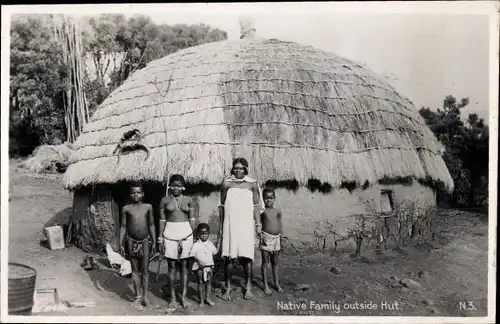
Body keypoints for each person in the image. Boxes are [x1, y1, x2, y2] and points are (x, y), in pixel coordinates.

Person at [219, 157, 264, 300]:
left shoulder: (252, 184)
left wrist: (258, 225)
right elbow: (222, 206)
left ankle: (249, 287)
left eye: (241, 168)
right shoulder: (226, 184)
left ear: (245, 168)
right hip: (230, 223)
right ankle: (228, 288)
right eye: (235, 168)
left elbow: (257, 206)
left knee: (246, 256)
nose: (238, 170)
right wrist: (221, 226)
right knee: (229, 257)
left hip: (246, 224)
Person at [158, 174, 197, 309]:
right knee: (171, 267)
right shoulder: (164, 200)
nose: (176, 187)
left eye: (178, 185)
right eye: (173, 185)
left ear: (183, 186)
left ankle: (184, 297)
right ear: (170, 186)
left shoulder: (189, 200)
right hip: (169, 234)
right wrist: (160, 238)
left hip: (186, 234)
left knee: (184, 267)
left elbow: (192, 220)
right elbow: (162, 220)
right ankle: (173, 298)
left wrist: (194, 236)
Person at [119, 182, 156, 309]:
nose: (136, 195)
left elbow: (151, 224)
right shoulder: (126, 208)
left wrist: (155, 240)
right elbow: (123, 226)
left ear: (143, 194)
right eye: (133, 192)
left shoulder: (148, 207)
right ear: (130, 194)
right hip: (131, 241)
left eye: (138, 192)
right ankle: (137, 296)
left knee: (144, 270)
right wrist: (120, 243)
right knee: (135, 270)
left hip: (145, 241)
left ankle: (145, 297)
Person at [259, 188, 284, 294]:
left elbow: (280, 224)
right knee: (265, 262)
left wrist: (281, 238)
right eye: (265, 198)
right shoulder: (261, 211)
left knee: (275, 261)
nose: (268, 200)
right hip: (266, 237)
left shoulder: (278, 211)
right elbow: (258, 224)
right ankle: (265, 285)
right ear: (262, 199)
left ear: (274, 199)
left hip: (277, 238)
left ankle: (276, 284)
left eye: (270, 198)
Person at [189, 223, 217, 307]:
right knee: (200, 283)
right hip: (199, 268)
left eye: (206, 233)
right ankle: (201, 300)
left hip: (209, 267)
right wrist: (198, 262)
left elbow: (215, 252)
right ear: (198, 234)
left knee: (208, 283)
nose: (204, 235)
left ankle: (207, 298)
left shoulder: (210, 244)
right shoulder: (196, 244)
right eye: (202, 233)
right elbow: (192, 255)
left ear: (208, 233)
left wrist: (219, 243)